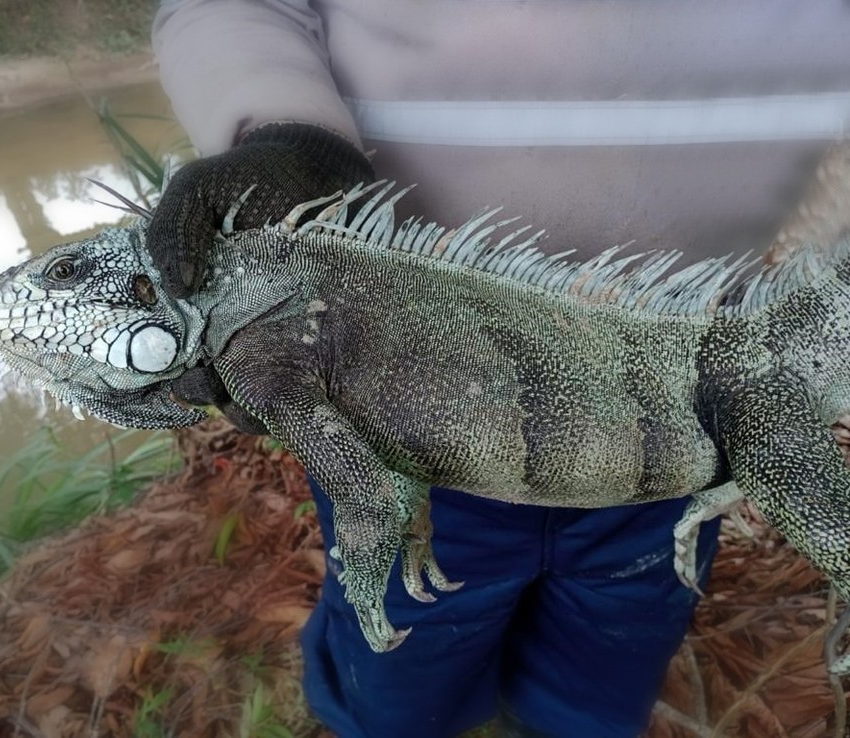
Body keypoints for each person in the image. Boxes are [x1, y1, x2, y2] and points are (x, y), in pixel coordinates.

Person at [147, 2, 850, 736]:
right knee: (397, 691)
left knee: (601, 686)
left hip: (691, 421)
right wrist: (281, 130)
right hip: (398, 438)